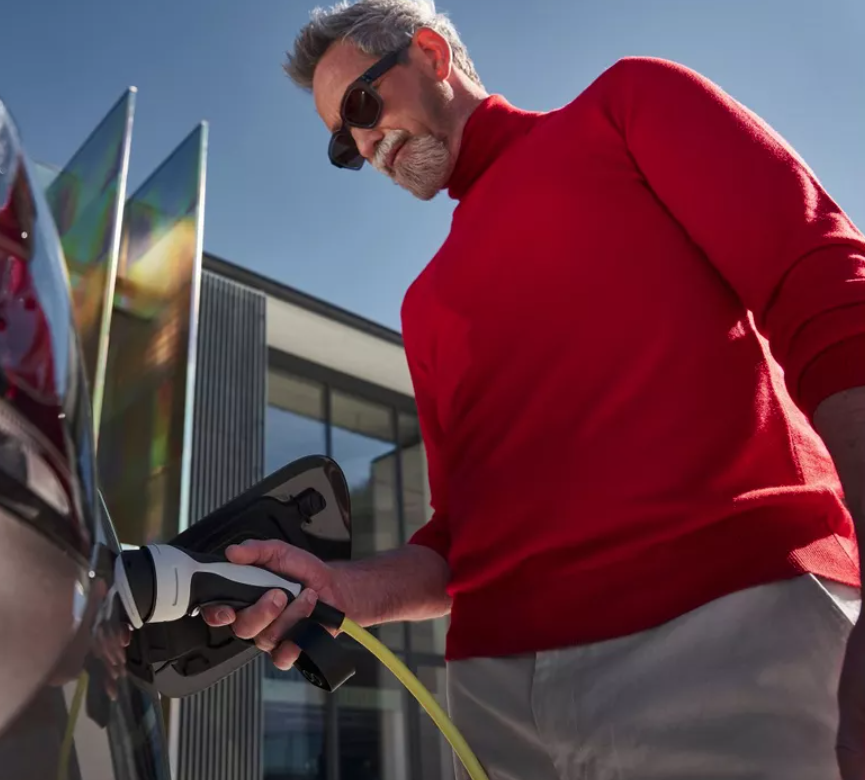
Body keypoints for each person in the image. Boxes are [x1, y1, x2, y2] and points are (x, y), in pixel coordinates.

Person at [201, 1, 865, 777]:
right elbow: (460, 541)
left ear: (430, 55)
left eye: (361, 105)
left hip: (724, 629)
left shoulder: (625, 107)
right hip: (496, 705)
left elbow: (825, 293)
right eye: (343, 143)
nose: (364, 143)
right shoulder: (424, 304)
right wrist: (341, 587)